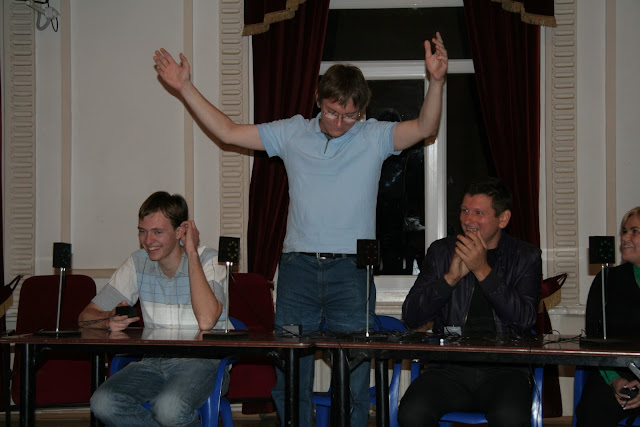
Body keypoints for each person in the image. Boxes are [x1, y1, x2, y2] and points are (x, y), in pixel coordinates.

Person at [153, 33, 448, 427]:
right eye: (332, 112)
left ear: (361, 112)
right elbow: (227, 131)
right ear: (317, 100)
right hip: (297, 272)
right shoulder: (292, 132)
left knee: (354, 376)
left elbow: (426, 126)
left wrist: (437, 81)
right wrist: (185, 87)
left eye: (350, 115)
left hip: (352, 273)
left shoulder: (374, 136)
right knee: (291, 374)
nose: (340, 123)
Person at [399, 178, 541, 427]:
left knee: (510, 417)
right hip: (448, 366)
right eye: (465, 210)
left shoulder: (525, 256)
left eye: (479, 213)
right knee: (412, 413)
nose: (468, 219)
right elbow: (412, 317)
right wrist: (450, 279)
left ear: (503, 219)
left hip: (506, 369)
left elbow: (524, 320)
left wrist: (482, 270)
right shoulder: (441, 252)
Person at [78, 191, 228, 427]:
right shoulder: (138, 262)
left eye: (157, 232)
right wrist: (108, 319)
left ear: (180, 232)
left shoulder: (209, 259)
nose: (148, 241)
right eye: (142, 231)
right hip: (153, 361)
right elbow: (86, 317)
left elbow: (207, 321)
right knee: (103, 402)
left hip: (203, 361)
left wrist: (191, 252)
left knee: (169, 409)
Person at [575, 207, 640, 426]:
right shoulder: (607, 280)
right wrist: (614, 379)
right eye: (624, 231)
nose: (625, 238)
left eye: (634, 231)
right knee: (592, 410)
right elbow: (594, 339)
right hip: (615, 371)